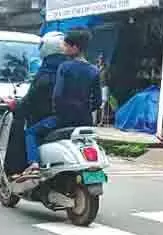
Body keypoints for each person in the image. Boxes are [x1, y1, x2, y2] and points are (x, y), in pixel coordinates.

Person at [20, 29, 101, 180]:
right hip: (85, 121)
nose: (63, 49)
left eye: (66, 45)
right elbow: (97, 101)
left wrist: (59, 111)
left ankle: (34, 164)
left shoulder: (65, 67)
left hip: (63, 119)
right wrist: (84, 110)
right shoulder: (94, 70)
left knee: (31, 132)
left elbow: (57, 95)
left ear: (75, 48)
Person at [9, 31, 68, 181]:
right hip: (78, 119)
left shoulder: (46, 73)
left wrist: (16, 105)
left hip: (52, 118)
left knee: (30, 132)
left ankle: (33, 164)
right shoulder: (71, 68)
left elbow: (31, 99)